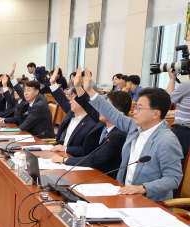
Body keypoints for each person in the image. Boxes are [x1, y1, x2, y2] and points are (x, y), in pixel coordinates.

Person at [84, 67, 183, 202]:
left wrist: (142, 188)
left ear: (156, 113)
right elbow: (112, 113)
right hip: (123, 193)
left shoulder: (167, 141)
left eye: (140, 108)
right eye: (136, 107)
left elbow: (173, 178)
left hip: (150, 202)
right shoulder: (134, 126)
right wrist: (89, 90)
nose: (135, 111)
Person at [52, 77, 130, 178]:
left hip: (105, 178)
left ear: (114, 112)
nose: (100, 109)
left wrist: (64, 160)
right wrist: (78, 87)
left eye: (105, 107)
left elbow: (95, 159)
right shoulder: (102, 124)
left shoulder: (120, 133)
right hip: (90, 171)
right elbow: (87, 105)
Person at [48, 66, 99, 157]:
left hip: (74, 161)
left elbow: (86, 151)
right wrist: (53, 83)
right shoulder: (72, 112)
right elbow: (62, 99)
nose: (70, 101)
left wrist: (66, 149)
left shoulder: (92, 122)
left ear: (83, 101)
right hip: (60, 155)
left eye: (73, 98)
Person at [8, 63, 55, 138]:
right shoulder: (33, 98)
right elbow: (20, 91)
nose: (25, 93)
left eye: (28, 90)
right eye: (25, 91)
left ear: (36, 92)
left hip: (40, 138)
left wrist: (8, 133)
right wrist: (12, 78)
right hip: (31, 134)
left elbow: (24, 126)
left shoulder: (39, 105)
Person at [166, 69, 190, 165]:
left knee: (176, 163)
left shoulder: (187, 85)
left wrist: (172, 79)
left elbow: (167, 100)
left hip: (184, 132)